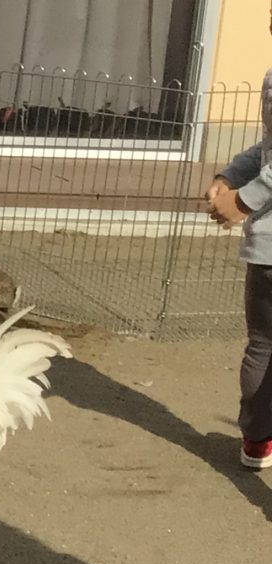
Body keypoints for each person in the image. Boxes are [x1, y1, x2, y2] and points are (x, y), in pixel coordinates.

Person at [205, 7, 272, 470]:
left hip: (266, 247)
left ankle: (256, 441)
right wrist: (238, 193)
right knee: (263, 345)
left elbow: (266, 150)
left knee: (262, 345)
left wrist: (233, 181)